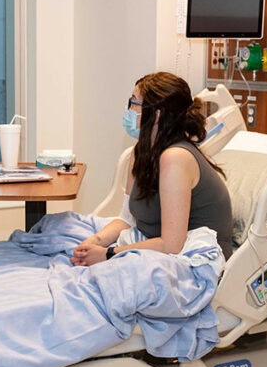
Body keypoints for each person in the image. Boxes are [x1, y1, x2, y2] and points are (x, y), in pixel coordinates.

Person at [71, 72, 233, 266]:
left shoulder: (176, 159)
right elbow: (127, 219)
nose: (128, 110)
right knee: (62, 232)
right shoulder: (140, 152)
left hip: (196, 258)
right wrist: (94, 242)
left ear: (157, 114)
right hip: (160, 247)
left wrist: (108, 253)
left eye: (134, 103)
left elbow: (172, 245)